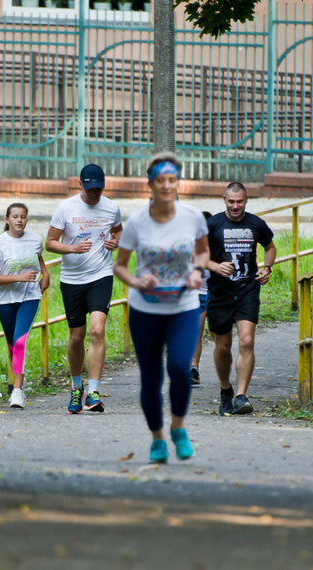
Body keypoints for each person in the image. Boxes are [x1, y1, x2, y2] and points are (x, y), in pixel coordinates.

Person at [113, 153, 209, 462]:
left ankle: (178, 428)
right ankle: (157, 439)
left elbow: (204, 252)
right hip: (146, 310)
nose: (167, 186)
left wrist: (197, 271)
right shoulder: (137, 221)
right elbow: (121, 266)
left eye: (172, 180)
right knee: (151, 378)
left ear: (178, 183)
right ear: (150, 184)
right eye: (160, 181)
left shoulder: (193, 216)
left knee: (180, 368)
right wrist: (137, 282)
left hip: (183, 305)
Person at [45, 163, 123, 413]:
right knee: (77, 336)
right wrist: (71, 248)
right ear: (80, 184)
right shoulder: (66, 208)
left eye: (99, 189)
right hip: (72, 279)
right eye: (90, 189)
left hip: (101, 275)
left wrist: (115, 242)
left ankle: (94, 391)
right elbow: (50, 243)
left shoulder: (111, 207)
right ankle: (76, 387)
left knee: (97, 330)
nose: (94, 194)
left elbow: (119, 231)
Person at [206, 182, 276, 416]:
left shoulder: (256, 224)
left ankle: (241, 396)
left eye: (240, 201)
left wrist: (267, 268)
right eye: (231, 201)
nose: (236, 206)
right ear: (223, 199)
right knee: (222, 346)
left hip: (247, 289)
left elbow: (270, 247)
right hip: (219, 292)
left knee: (246, 341)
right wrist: (215, 266)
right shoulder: (212, 224)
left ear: (246, 200)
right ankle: (226, 389)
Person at [0, 203, 51, 409]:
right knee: (12, 345)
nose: (19, 220)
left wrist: (46, 273)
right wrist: (19, 277)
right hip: (5, 300)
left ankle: (17, 392)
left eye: (23, 216)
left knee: (20, 342)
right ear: (7, 219)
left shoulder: (34, 240)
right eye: (15, 217)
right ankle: (16, 383)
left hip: (29, 297)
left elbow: (38, 259)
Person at [190, 211, 213, 385]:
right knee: (196, 331)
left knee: (218, 335)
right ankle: (192, 367)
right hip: (195, 293)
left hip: (215, 293)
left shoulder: (217, 244)